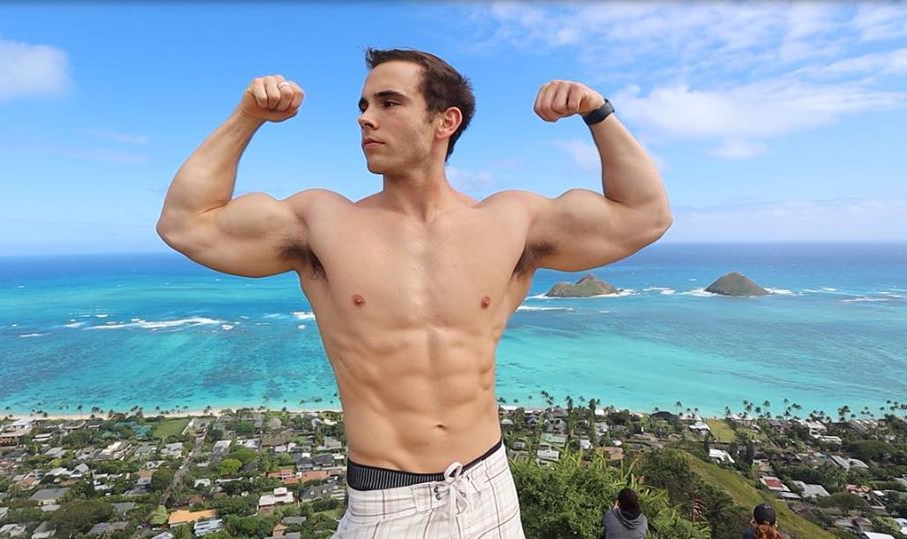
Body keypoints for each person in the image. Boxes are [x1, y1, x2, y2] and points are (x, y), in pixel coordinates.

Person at [156, 48, 671, 538]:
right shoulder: (321, 223)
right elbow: (184, 224)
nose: (365, 118)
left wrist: (597, 111)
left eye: (389, 102)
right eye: (363, 104)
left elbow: (646, 215)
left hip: (489, 485)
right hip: (385, 499)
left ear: (445, 121)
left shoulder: (512, 221)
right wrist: (247, 116)